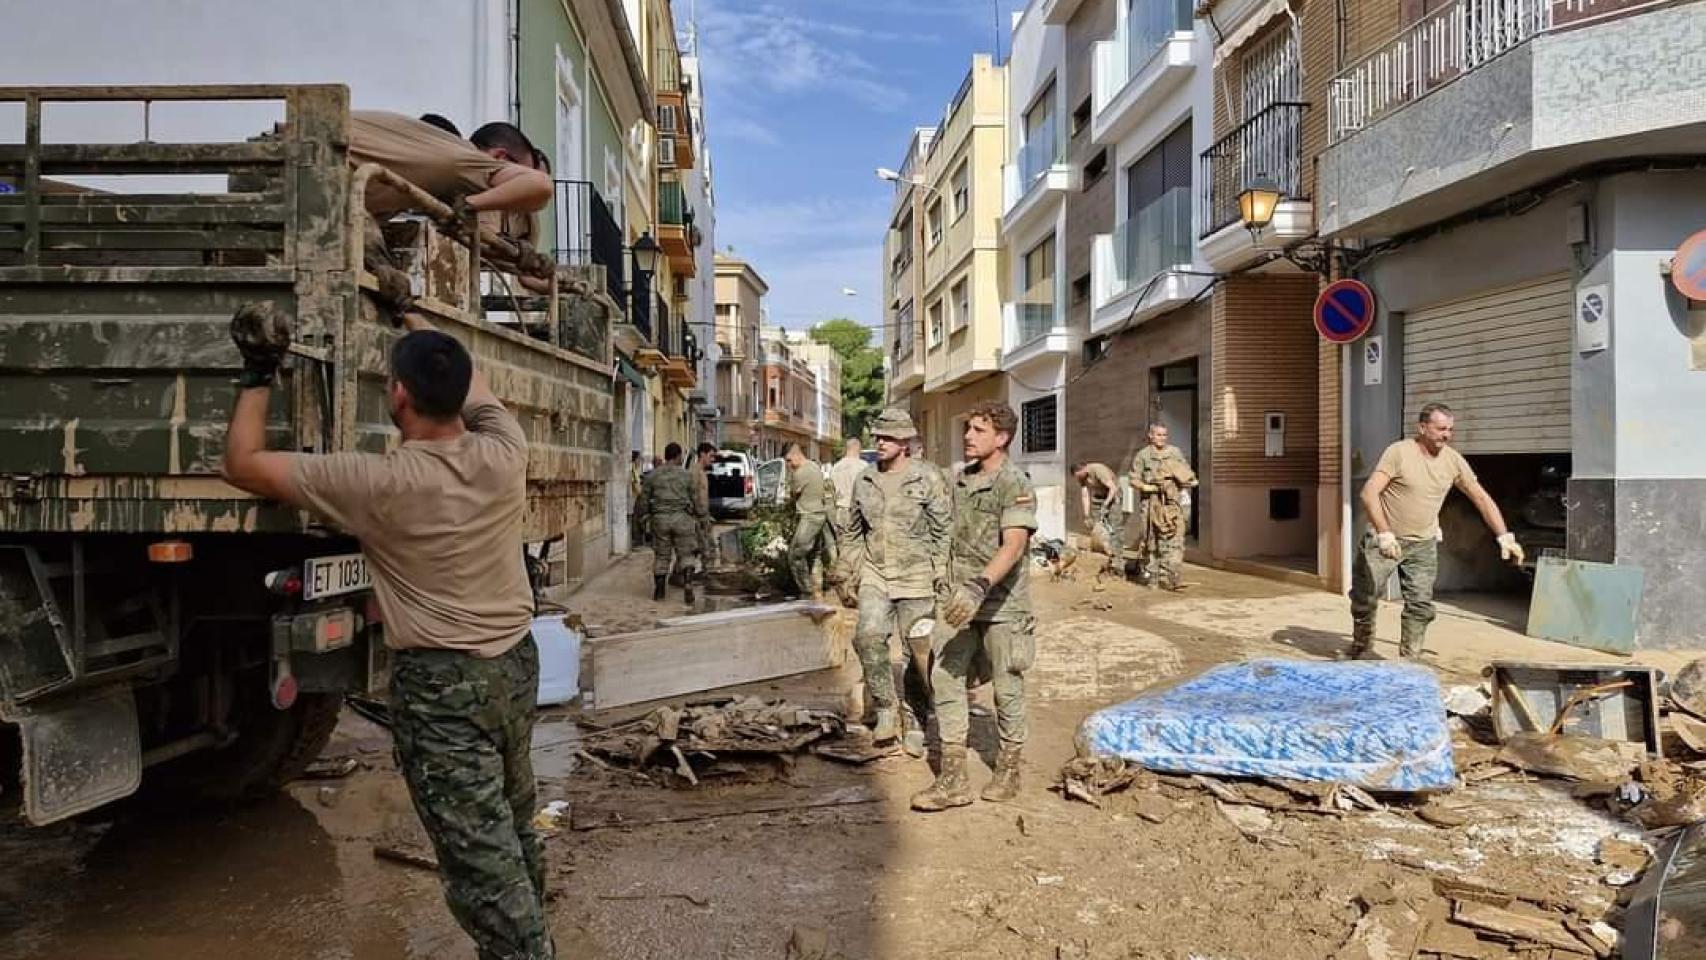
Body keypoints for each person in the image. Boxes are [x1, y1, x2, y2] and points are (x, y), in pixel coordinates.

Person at [219, 303, 552, 959]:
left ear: (397, 394)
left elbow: (243, 463)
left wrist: (258, 372)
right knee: (512, 828)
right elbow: (475, 388)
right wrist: (412, 319)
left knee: (481, 866)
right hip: (514, 668)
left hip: (444, 688)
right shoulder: (505, 453)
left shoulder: (377, 482)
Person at [913, 401, 1036, 812]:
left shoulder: (1014, 482)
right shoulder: (960, 481)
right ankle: (953, 780)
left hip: (1001, 603)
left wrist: (980, 584)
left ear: (1001, 438)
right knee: (945, 678)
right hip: (959, 602)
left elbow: (1014, 544)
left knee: (1007, 688)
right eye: (968, 427)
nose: (968, 435)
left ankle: (1008, 768)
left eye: (978, 430)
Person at [1350, 403, 1525, 659]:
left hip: (1423, 543)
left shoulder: (1453, 460)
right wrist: (1384, 533)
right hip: (1383, 539)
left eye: (1450, 430)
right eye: (1441, 428)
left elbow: (1481, 498)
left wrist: (1504, 536)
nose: (1447, 435)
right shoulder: (1399, 453)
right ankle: (1362, 647)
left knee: (1420, 605)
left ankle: (1411, 659)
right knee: (1365, 598)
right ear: (1422, 427)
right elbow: (1369, 493)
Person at [828, 410, 950, 756]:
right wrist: (846, 572)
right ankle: (885, 707)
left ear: (905, 442)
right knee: (867, 637)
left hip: (917, 578)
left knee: (918, 654)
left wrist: (942, 574)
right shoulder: (865, 479)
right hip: (876, 574)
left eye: (887, 438)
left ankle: (915, 717)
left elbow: (943, 531)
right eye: (877, 437)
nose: (879, 443)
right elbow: (851, 533)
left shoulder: (928, 477)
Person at [1131, 424, 1197, 590]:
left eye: (1164, 435)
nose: (1162, 438)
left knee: (1176, 539)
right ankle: (1153, 578)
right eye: (1158, 435)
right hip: (1151, 503)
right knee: (1151, 539)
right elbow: (1134, 479)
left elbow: (1187, 474)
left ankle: (1173, 577)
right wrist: (1146, 487)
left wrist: (1182, 482)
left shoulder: (1174, 452)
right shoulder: (1143, 455)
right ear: (1151, 436)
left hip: (1173, 503)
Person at [637, 443, 704, 605]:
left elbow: (643, 500)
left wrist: (643, 518)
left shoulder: (652, 476)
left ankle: (659, 591)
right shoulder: (686, 476)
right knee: (686, 554)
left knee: (661, 555)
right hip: (682, 519)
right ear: (678, 456)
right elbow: (695, 499)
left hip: (660, 520)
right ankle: (688, 583)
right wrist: (700, 516)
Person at [784, 442, 832, 599]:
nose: (789, 465)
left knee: (795, 555)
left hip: (809, 517)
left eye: (789, 461)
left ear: (795, 455)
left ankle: (806, 591)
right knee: (815, 554)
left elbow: (792, 494)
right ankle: (817, 589)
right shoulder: (814, 467)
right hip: (820, 515)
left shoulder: (801, 473)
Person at [1071, 461, 1124, 561]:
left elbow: (1113, 488)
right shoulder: (1081, 477)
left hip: (1113, 495)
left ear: (1083, 469)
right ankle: (1103, 555)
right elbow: (1085, 495)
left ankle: (1117, 559)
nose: (1078, 479)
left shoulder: (1098, 470)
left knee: (1114, 527)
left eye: (1078, 476)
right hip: (1098, 496)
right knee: (1097, 526)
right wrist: (1086, 515)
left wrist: (1106, 505)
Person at [828, 437, 867, 534]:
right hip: (857, 512)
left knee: (842, 543)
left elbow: (831, 492)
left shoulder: (836, 467)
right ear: (858, 448)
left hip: (840, 511)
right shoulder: (863, 466)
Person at [694, 442, 719, 569]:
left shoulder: (702, 472)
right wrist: (700, 517)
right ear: (702, 454)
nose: (713, 459)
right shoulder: (694, 472)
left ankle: (707, 573)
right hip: (697, 519)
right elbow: (692, 496)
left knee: (708, 549)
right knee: (705, 550)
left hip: (704, 517)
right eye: (711, 456)